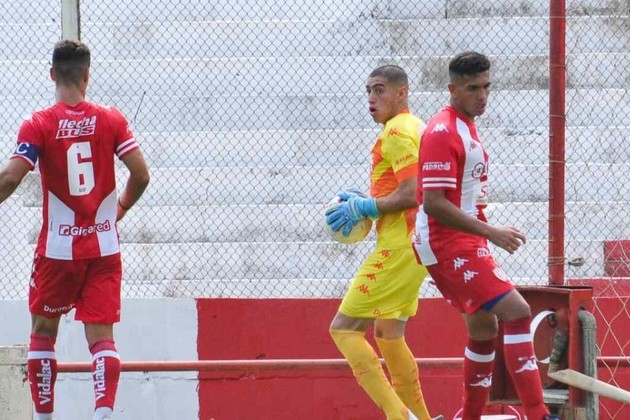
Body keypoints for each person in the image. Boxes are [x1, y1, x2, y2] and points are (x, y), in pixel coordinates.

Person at [0, 40, 149, 420]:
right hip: (103, 247)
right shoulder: (111, 119)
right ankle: (102, 414)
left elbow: (10, 178)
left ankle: (44, 417)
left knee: (43, 332)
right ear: (87, 74)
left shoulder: (38, 123)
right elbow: (141, 175)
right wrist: (120, 208)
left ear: (52, 74)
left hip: (57, 250)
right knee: (102, 339)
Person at [412, 51, 557, 419]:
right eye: (473, 88)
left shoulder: (465, 125)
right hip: (445, 242)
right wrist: (491, 232)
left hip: (461, 239)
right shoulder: (442, 131)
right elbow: (433, 203)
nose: (482, 96)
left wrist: (483, 231)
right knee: (517, 311)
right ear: (452, 90)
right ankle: (539, 414)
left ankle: (470, 416)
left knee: (483, 329)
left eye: (487, 87)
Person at [326, 65, 441, 420]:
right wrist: (370, 201)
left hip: (399, 247)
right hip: (416, 244)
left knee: (343, 329)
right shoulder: (415, 126)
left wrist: (366, 207)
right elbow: (407, 186)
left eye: (379, 90)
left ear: (401, 93)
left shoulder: (396, 132)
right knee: (389, 333)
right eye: (369, 91)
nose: (372, 99)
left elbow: (412, 193)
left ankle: (398, 415)